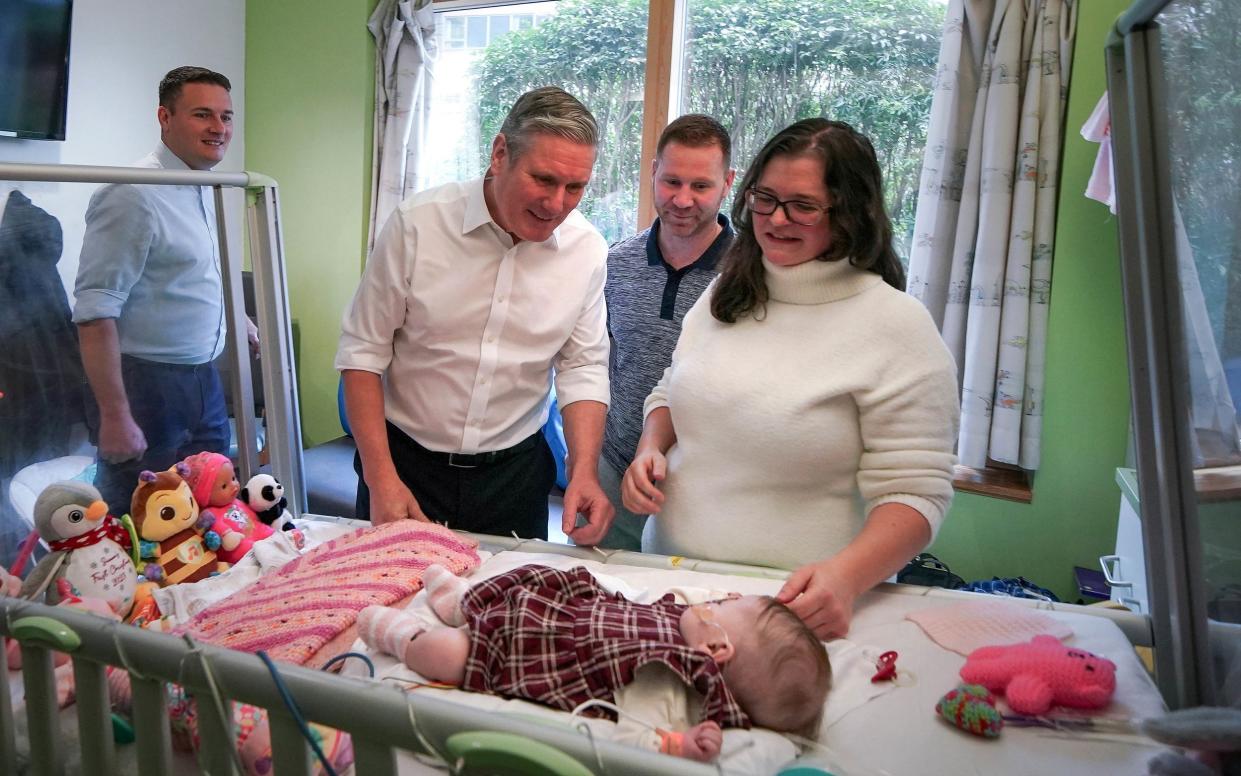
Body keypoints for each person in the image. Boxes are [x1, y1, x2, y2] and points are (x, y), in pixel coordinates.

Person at [621, 119, 959, 640]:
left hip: (799, 607)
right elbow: (671, 387)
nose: (777, 219)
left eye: (803, 206)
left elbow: (916, 493)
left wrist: (845, 580)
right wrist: (652, 447)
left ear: (851, 212)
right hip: (675, 580)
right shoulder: (725, 295)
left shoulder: (896, 325)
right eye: (766, 199)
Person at [336, 87, 614, 543]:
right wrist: (379, 478)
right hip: (406, 465)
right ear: (500, 153)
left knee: (508, 611)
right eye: (543, 180)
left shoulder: (586, 250)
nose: (557, 203)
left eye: (575, 187)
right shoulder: (418, 225)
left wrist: (583, 469)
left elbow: (582, 366)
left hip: (515, 477)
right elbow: (363, 353)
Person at [358, 563, 830, 761]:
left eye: (722, 611)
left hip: (530, 653)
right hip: (560, 612)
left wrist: (680, 745)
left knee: (453, 655)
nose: (714, 604)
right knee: (533, 581)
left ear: (716, 651)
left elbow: (635, 738)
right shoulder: (685, 622)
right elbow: (680, 605)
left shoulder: (663, 676)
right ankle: (466, 603)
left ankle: (408, 639)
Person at [73, 66, 258, 516]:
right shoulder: (132, 192)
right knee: (141, 521)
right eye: (202, 115)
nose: (219, 128)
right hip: (147, 386)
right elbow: (95, 312)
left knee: (208, 514)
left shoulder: (200, 184)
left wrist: (240, 319)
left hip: (203, 381)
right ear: (165, 117)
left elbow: (193, 273)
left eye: (226, 117)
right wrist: (115, 417)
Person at [597, 115, 736, 550]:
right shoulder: (614, 264)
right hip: (614, 472)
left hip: (707, 487)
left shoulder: (751, 275)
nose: (682, 199)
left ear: (728, 182)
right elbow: (592, 366)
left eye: (701, 186)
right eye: (671, 181)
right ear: (653, 171)